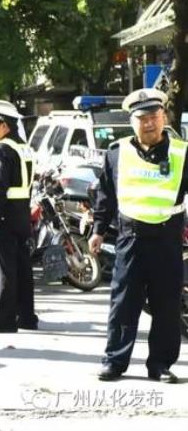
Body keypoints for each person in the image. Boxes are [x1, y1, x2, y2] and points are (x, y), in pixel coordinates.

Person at [90, 88, 185, 384]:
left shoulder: (182, 153)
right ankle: (115, 362)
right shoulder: (117, 153)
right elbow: (105, 196)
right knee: (123, 304)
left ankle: (160, 364)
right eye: (142, 118)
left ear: (164, 117)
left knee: (167, 306)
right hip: (130, 240)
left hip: (168, 240)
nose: (149, 123)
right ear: (131, 122)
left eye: (154, 116)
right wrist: (97, 230)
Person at [0, 103, 38, 333]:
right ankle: (27, 318)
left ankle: (5, 321)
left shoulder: (2, 150)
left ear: (5, 126)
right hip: (21, 214)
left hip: (3, 216)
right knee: (23, 269)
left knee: (4, 270)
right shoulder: (24, 148)